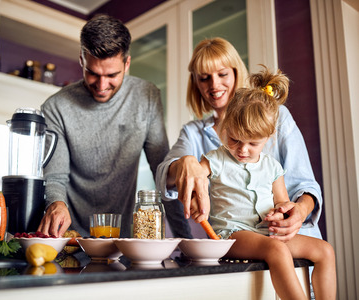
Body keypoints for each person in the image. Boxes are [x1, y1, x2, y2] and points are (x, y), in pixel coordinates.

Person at [156, 38, 323, 241]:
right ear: (196, 84)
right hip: (239, 243)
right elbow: (165, 176)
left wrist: (300, 211)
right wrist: (184, 163)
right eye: (204, 78)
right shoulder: (193, 133)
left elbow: (306, 184)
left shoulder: (277, 116)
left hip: (290, 236)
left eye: (222, 74)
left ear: (236, 73)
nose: (214, 84)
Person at [194, 67, 336, 300]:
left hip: (265, 233)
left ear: (269, 138)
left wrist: (281, 213)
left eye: (253, 143)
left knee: (325, 250)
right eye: (235, 139)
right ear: (225, 128)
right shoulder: (216, 159)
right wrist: (192, 180)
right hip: (232, 234)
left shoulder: (272, 167)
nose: (242, 149)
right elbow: (194, 177)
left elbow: (283, 201)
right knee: (277, 249)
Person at [36, 14, 171, 238]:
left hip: (125, 241)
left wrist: (186, 245)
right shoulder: (55, 107)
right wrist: (57, 203)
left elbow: (163, 172)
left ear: (127, 64)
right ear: (82, 60)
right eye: (93, 73)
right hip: (70, 240)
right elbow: (56, 178)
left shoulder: (147, 96)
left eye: (112, 75)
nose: (101, 85)